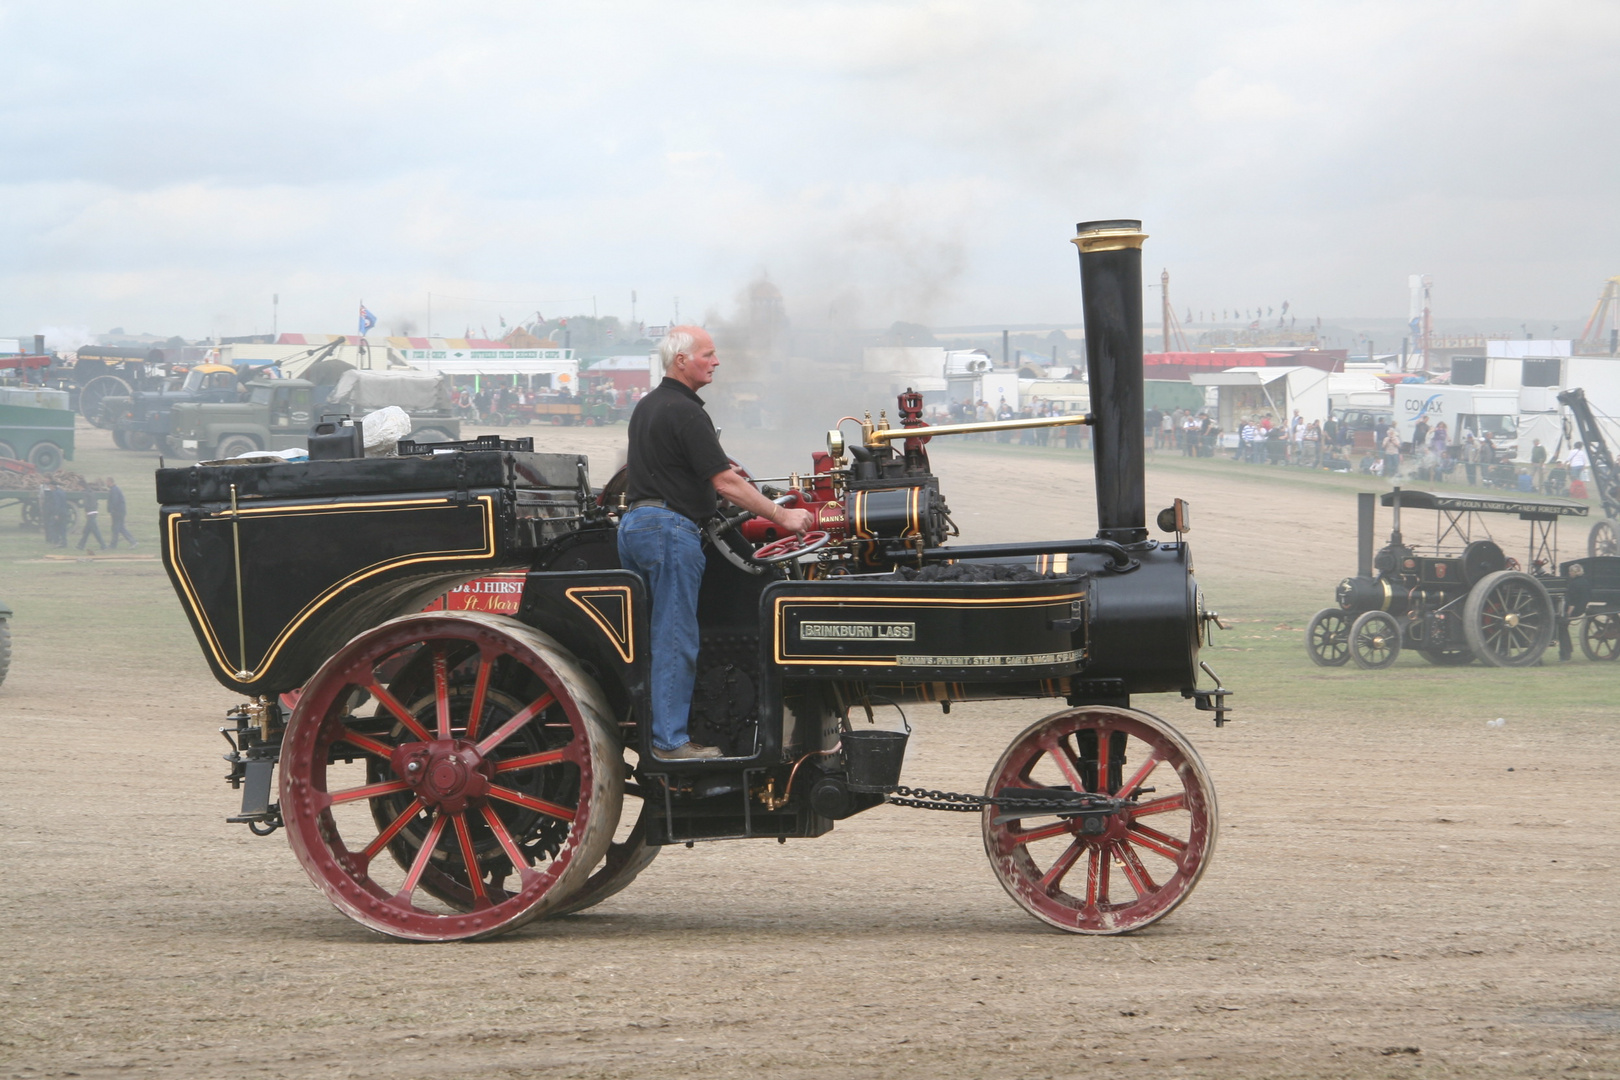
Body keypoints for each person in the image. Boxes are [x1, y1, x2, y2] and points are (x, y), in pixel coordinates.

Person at [619, 327, 815, 761]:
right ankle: (669, 742)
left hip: (636, 524)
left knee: (658, 636)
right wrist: (782, 515)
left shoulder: (648, 407)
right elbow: (726, 482)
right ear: (681, 360)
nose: (716, 361)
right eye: (708, 355)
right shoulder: (686, 412)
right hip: (669, 530)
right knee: (676, 636)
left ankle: (659, 729)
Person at [106, 477, 136, 548]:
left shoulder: (114, 490)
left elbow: (115, 501)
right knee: (118, 528)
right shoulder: (114, 489)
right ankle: (132, 542)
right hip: (119, 512)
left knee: (117, 528)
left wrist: (112, 510)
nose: (106, 484)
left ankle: (132, 542)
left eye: (107, 482)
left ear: (110, 482)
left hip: (118, 512)